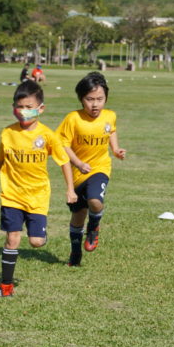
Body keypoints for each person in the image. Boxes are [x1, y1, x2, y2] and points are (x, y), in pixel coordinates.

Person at [0, 80, 76, 297]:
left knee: (36, 242)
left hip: (38, 195)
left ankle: (41, 234)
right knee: (13, 238)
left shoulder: (48, 135)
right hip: (11, 194)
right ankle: (6, 285)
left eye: (28, 107)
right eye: (19, 106)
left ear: (40, 109)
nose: (23, 111)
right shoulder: (7, 133)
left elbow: (63, 161)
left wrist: (70, 189)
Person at [55, 71, 126, 267]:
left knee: (95, 201)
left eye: (99, 99)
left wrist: (115, 149)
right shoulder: (73, 119)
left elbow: (110, 130)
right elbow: (62, 145)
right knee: (78, 216)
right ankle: (75, 252)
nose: (95, 104)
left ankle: (94, 228)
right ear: (81, 99)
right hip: (77, 174)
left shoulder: (110, 115)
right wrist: (77, 163)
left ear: (106, 98)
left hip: (100, 168)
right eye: (89, 99)